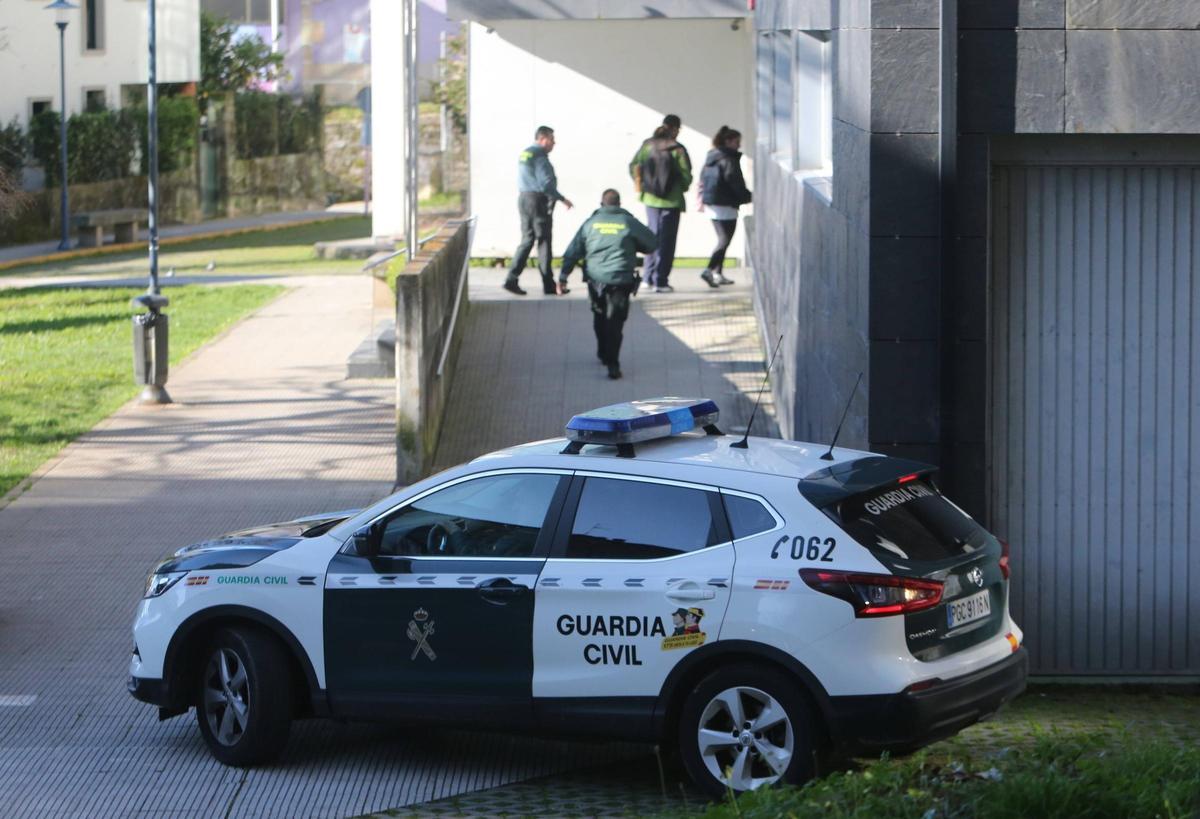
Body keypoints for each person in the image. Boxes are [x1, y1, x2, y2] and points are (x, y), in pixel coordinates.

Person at [559, 189, 658, 380]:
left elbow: (573, 250)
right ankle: (613, 363)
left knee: (599, 314)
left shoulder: (590, 224)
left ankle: (603, 352)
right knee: (615, 322)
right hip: (620, 279)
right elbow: (652, 244)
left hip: (595, 278)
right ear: (619, 204)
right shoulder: (628, 222)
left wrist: (563, 276)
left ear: (601, 204)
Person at [505, 125, 573, 296]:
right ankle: (548, 285)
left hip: (524, 199)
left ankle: (512, 279)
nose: (554, 143)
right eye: (552, 139)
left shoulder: (526, 153)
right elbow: (546, 184)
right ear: (543, 139)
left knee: (527, 240)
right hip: (537, 202)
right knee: (543, 242)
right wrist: (562, 199)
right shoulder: (540, 156)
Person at [629, 114, 692, 293]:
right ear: (676, 129)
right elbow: (686, 174)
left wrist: (641, 186)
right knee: (667, 241)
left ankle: (647, 278)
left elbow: (634, 166)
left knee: (652, 236)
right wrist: (681, 188)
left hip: (650, 199)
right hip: (672, 201)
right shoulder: (678, 149)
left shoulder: (647, 145)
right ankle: (661, 280)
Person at [697, 125, 752, 288]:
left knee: (723, 239)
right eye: (737, 142)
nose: (739, 145)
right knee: (724, 239)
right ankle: (709, 269)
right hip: (726, 204)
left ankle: (717, 273)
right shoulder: (729, 160)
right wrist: (747, 197)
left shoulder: (712, 157)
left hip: (713, 203)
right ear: (728, 141)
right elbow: (734, 182)